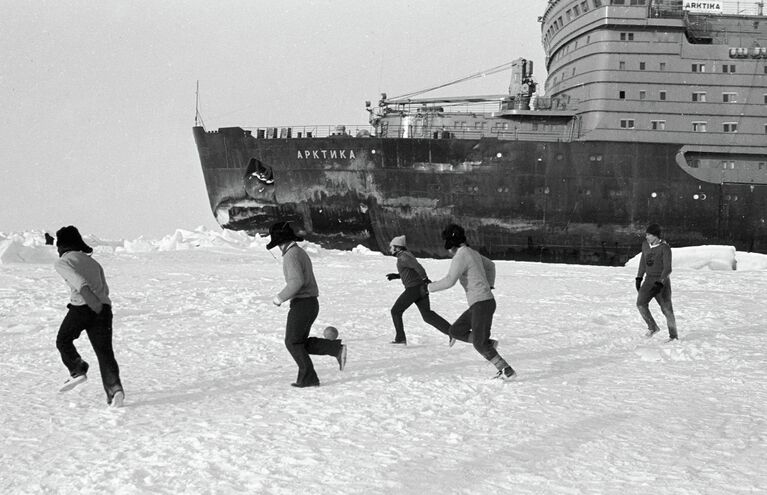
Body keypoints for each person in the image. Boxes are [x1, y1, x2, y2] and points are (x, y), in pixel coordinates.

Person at [427, 224, 516, 380]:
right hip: (480, 303)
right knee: (455, 331)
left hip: (481, 303)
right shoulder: (472, 253)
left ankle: (506, 370)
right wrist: (489, 285)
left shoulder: (461, 256)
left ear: (451, 244)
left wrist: (428, 288)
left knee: (479, 344)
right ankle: (488, 343)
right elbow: (491, 266)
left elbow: (449, 281)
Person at [267, 221, 347, 387]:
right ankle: (335, 349)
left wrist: (280, 298)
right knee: (299, 343)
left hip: (303, 304)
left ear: (280, 242)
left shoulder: (291, 255)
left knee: (292, 342)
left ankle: (309, 378)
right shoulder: (298, 252)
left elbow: (296, 282)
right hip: (310, 303)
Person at [53, 226, 124, 407]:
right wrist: (100, 306)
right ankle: (115, 390)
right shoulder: (93, 263)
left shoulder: (63, 261)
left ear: (62, 245)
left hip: (83, 307)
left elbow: (79, 282)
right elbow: (104, 288)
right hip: (103, 309)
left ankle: (77, 370)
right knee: (105, 353)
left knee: (63, 340)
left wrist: (90, 300)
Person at [386, 235, 451, 345]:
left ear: (398, 248)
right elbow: (410, 271)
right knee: (427, 315)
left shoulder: (403, 257)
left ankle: (400, 339)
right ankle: (452, 332)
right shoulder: (405, 256)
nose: (390, 249)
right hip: (419, 288)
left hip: (414, 289)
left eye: (391, 247)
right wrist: (397, 276)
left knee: (396, 311)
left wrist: (425, 279)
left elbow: (418, 267)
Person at [635, 223, 678, 342]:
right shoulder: (645, 245)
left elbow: (667, 268)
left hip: (661, 282)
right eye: (646, 234)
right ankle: (653, 327)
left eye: (649, 234)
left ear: (656, 236)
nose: (646, 237)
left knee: (667, 310)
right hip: (648, 280)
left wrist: (660, 282)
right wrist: (639, 277)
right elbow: (643, 262)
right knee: (641, 303)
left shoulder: (665, 248)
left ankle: (673, 336)